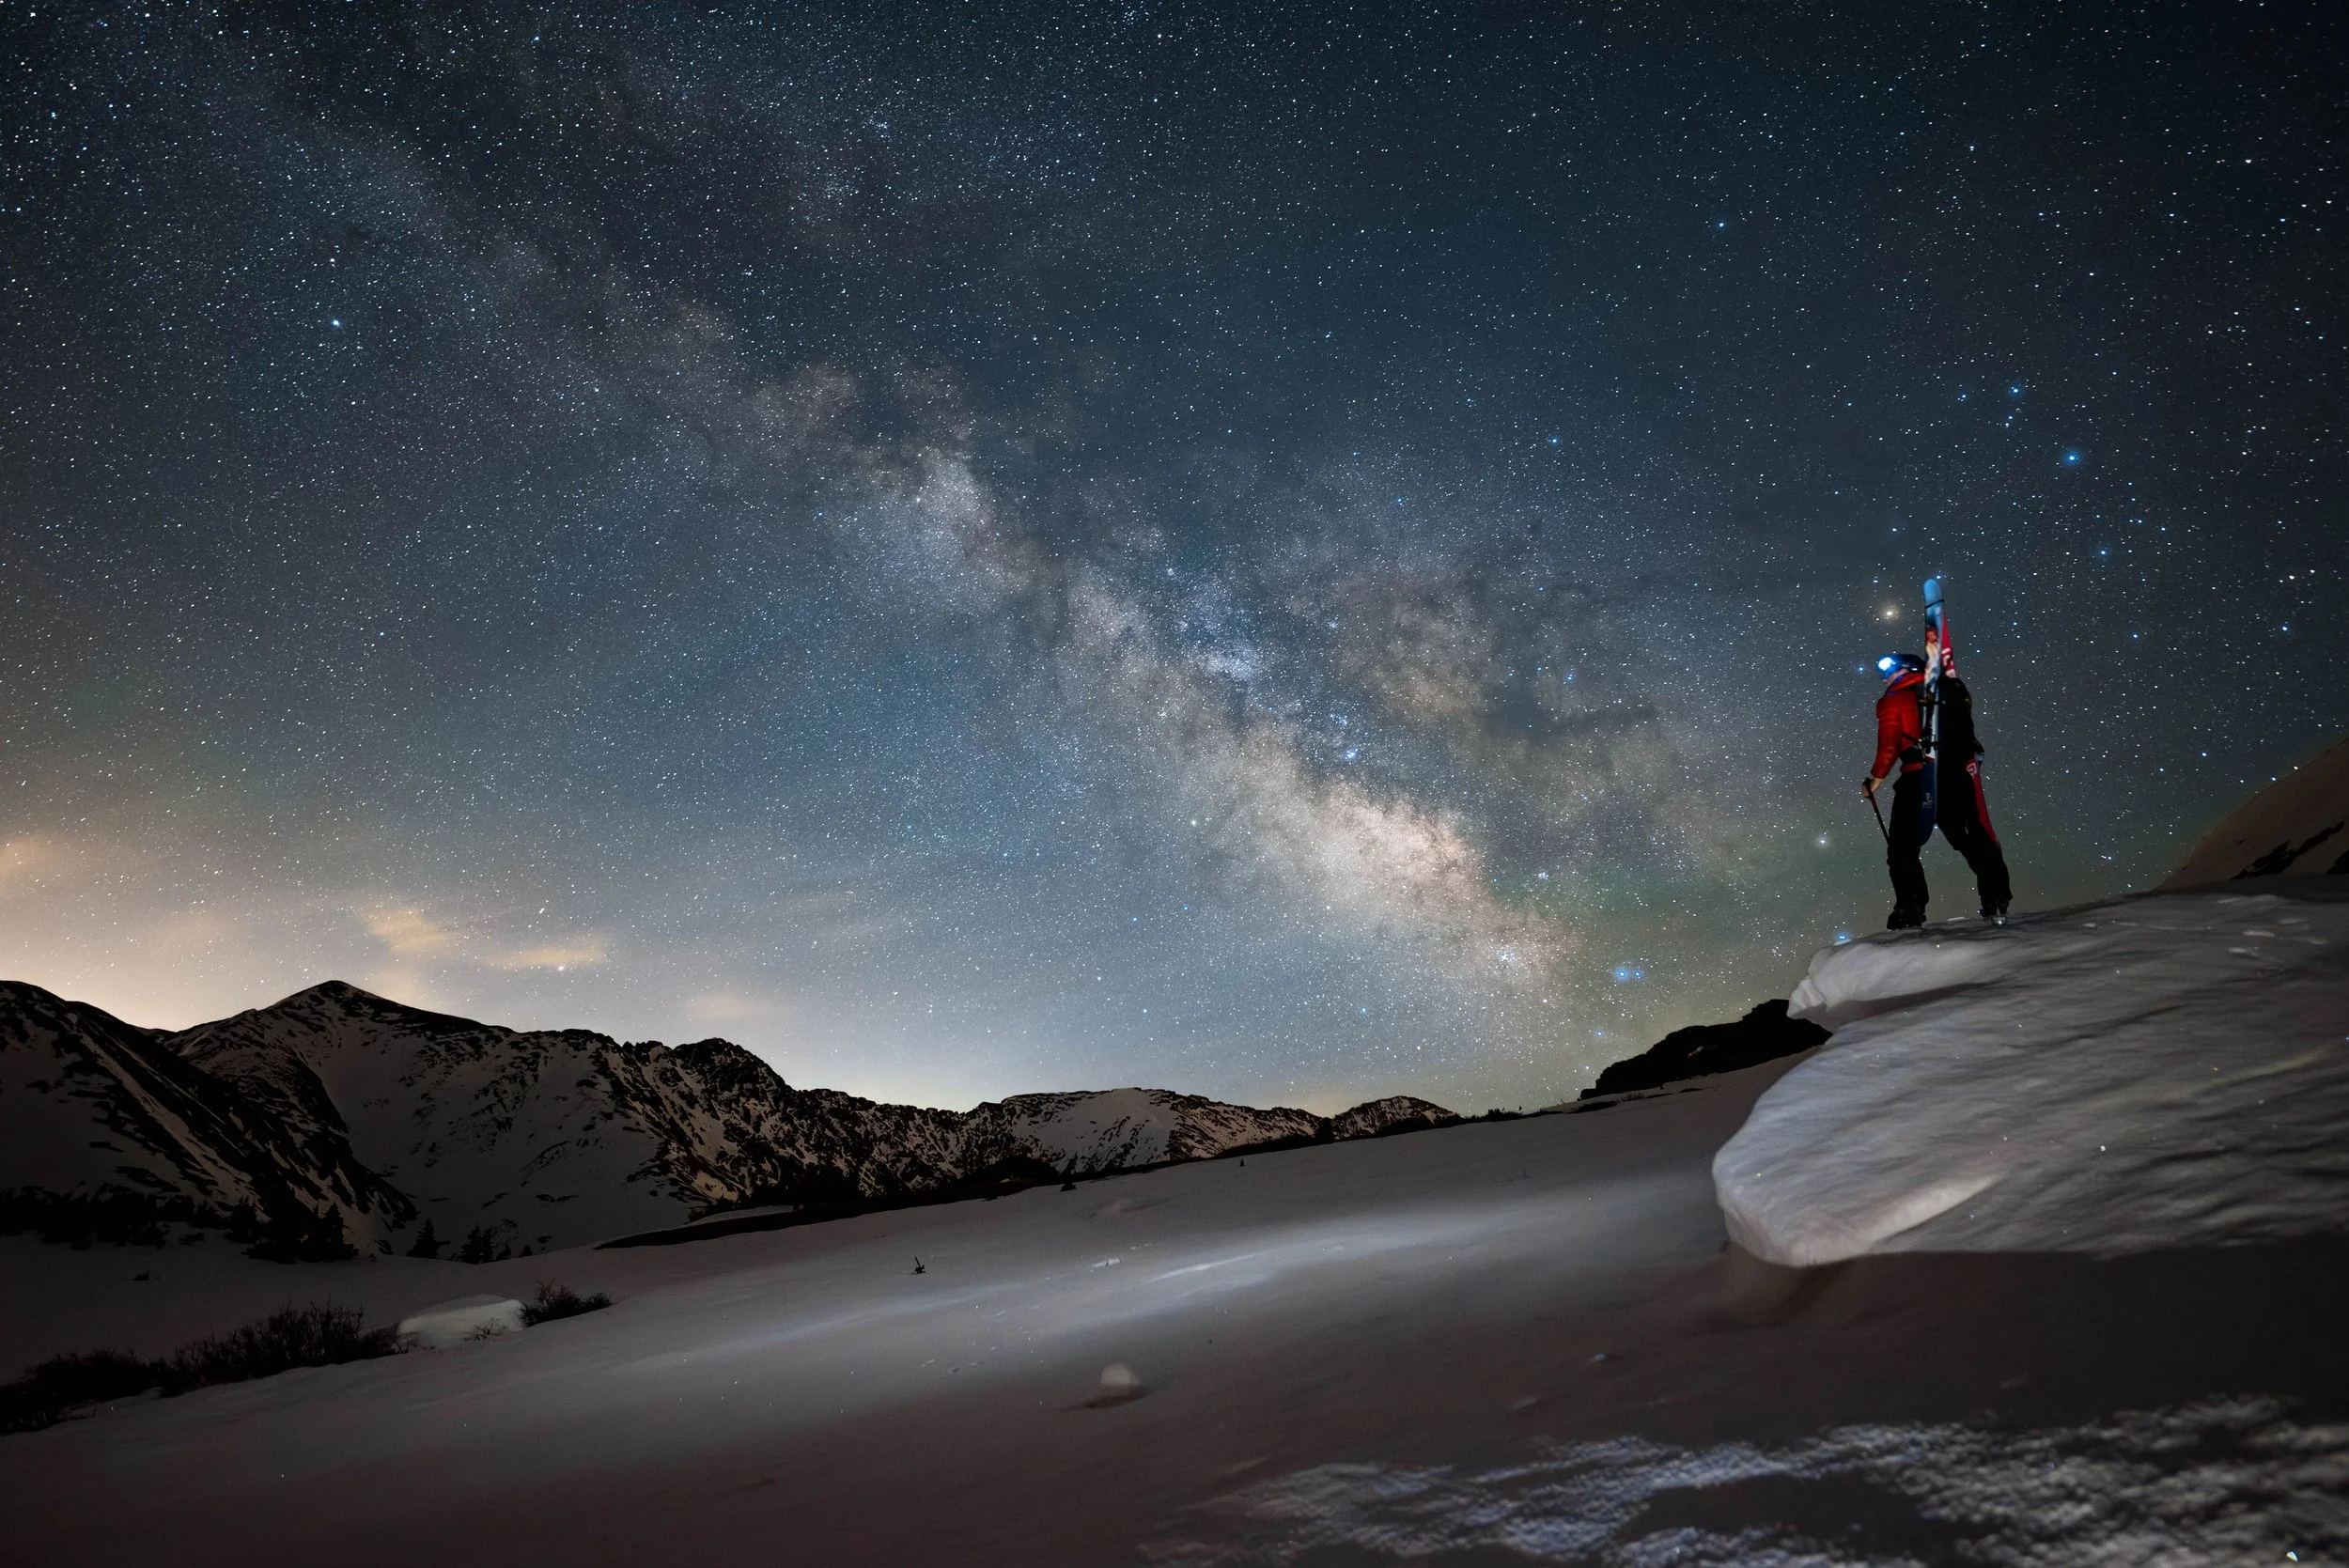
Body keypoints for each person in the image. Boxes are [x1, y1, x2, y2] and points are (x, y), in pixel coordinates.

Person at [1863, 651, 2012, 928]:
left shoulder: (1894, 699)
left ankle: (1910, 906)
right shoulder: (1949, 693)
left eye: (1888, 671)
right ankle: (1996, 895)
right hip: (1955, 775)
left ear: (1904, 670)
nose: (1884, 678)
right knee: (1969, 837)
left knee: (1902, 846)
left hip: (1918, 777)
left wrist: (1875, 779)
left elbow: (1889, 745)